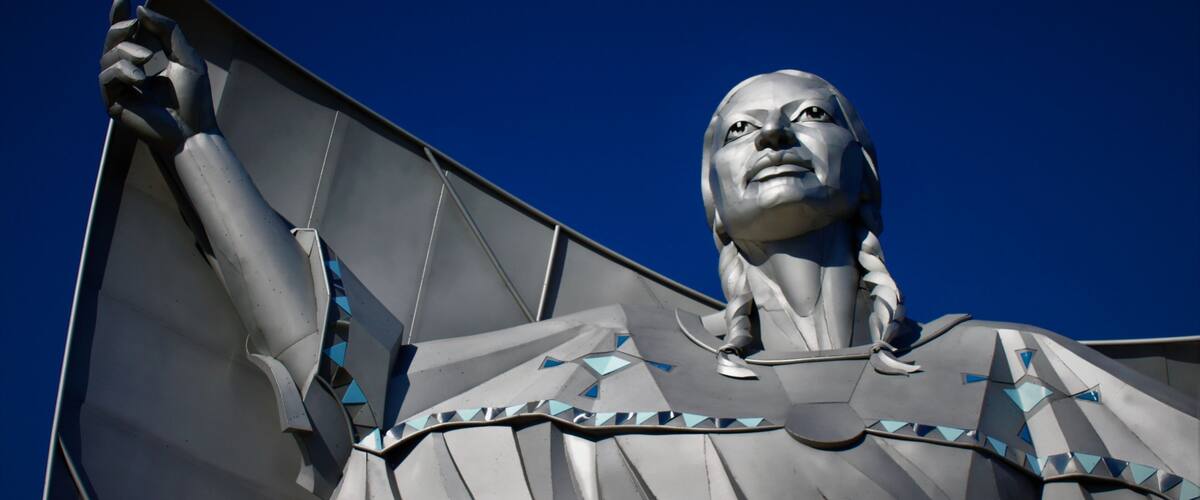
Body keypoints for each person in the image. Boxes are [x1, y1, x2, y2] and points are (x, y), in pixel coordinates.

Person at [99, 3, 1198, 499]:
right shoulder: (612, 367)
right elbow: (368, 399)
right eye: (736, 128)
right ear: (713, 203)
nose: (769, 133)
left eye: (809, 116)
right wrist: (199, 143)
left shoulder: (1013, 368)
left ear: (866, 171)